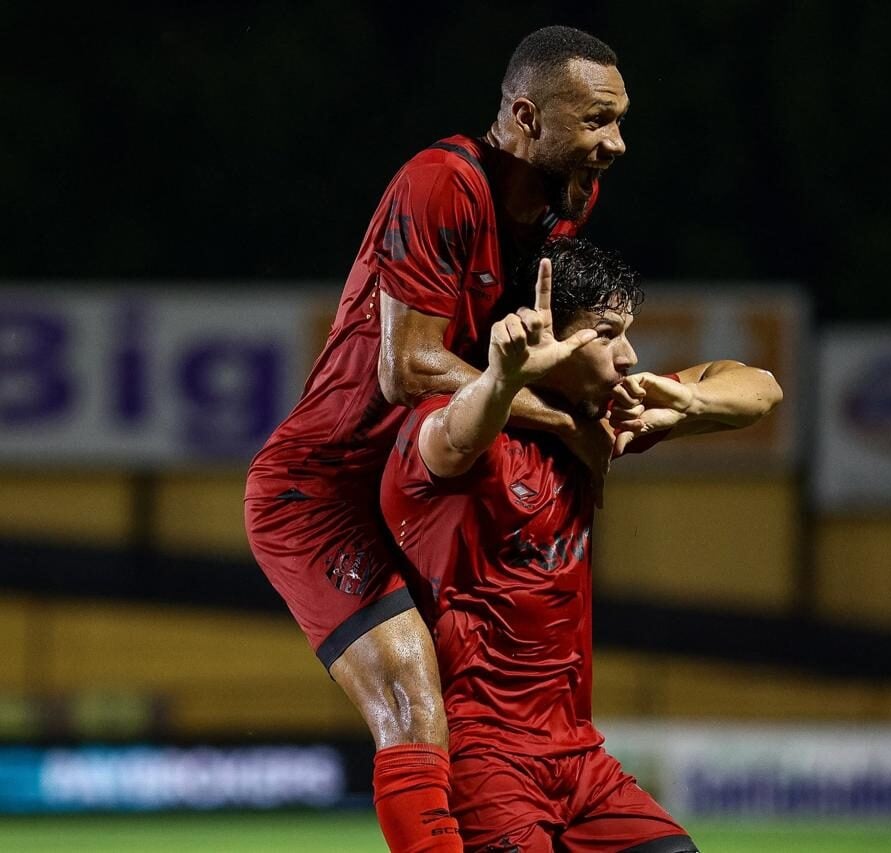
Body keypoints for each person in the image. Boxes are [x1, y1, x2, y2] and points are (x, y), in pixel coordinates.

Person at [243, 26, 629, 852]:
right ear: (525, 116)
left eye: (620, 120)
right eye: (597, 120)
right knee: (414, 705)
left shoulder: (565, 207)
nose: (616, 144)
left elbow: (542, 352)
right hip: (323, 491)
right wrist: (561, 416)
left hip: (422, 486)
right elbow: (407, 368)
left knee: (482, 721)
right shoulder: (442, 183)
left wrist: (624, 398)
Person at [380, 237, 783, 852]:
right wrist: (502, 378)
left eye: (628, 331)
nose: (629, 354)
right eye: (606, 333)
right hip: (484, 759)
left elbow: (762, 388)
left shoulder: (595, 422)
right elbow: (454, 435)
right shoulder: (454, 428)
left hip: (579, 758)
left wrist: (687, 403)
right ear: (551, 341)